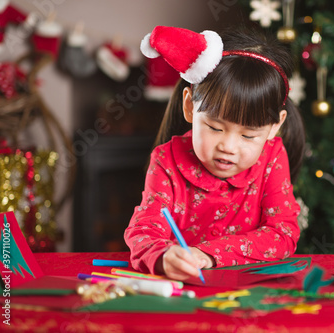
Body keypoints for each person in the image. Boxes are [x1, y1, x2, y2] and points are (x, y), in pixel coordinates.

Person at [124, 26, 305, 282]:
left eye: (248, 135)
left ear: (275, 126)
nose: (228, 147)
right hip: (182, 293)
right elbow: (144, 230)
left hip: (248, 295)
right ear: (189, 106)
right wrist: (163, 257)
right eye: (215, 127)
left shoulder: (272, 157)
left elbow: (283, 233)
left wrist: (207, 254)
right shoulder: (166, 160)